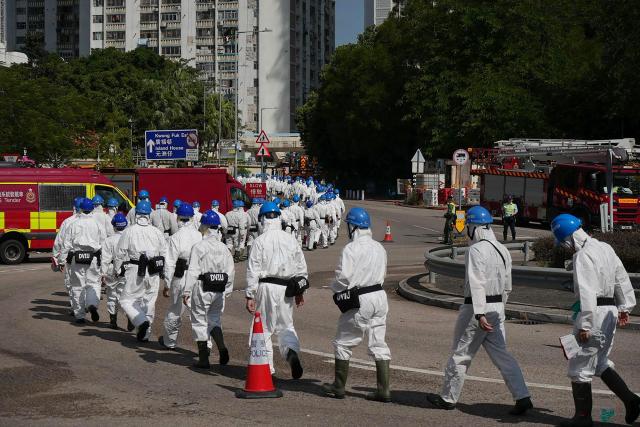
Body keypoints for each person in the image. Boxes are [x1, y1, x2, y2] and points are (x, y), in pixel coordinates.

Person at [428, 205, 532, 415]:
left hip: (476, 308)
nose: (467, 231)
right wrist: (498, 308)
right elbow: (507, 285)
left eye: (468, 226)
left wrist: (479, 313)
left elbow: (476, 282)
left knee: (461, 354)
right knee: (502, 355)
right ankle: (523, 396)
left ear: (473, 227)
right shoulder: (503, 249)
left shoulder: (475, 250)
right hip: (496, 307)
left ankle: (448, 398)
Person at [551, 214, 639, 427]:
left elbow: (587, 291)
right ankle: (632, 401)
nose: (565, 247)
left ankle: (582, 418)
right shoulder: (605, 247)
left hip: (595, 313)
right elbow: (621, 278)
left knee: (579, 366)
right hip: (609, 311)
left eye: (564, 243)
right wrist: (625, 306)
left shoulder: (582, 256)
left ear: (568, 238)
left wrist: (585, 325)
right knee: (600, 362)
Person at [324, 207, 391, 402]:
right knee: (378, 342)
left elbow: (343, 278)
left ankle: (338, 386)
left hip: (359, 298)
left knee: (344, 342)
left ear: (353, 226)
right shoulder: (379, 247)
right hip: (379, 296)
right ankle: (383, 390)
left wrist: (335, 290)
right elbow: (384, 273)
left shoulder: (351, 249)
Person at [245, 201, 308, 378]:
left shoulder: (259, 241)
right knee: (286, 326)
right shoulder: (291, 240)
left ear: (263, 219)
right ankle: (291, 354)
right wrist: (299, 292)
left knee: (264, 329)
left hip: (266, 287)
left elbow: (253, 269)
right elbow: (301, 269)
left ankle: (266, 369)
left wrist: (250, 295)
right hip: (287, 288)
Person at [183, 210, 235, 368]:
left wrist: (186, 291)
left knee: (199, 321)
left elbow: (192, 270)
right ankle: (222, 347)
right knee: (214, 320)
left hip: (202, 287)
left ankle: (204, 358)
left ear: (204, 226)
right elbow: (230, 271)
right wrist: (227, 290)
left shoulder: (199, 247)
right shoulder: (223, 247)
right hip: (218, 288)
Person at [115, 200, 167, 342]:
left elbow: (120, 253)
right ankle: (145, 335)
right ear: (149, 214)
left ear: (136, 213)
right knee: (149, 303)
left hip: (135, 269)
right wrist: (164, 272)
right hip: (154, 270)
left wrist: (118, 270)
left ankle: (140, 322)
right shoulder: (157, 232)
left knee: (126, 300)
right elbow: (164, 253)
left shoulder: (129, 231)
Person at [159, 203, 202, 350]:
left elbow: (169, 263)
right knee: (199, 311)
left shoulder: (176, 237)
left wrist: (166, 284)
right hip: (197, 276)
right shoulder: (199, 235)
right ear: (192, 218)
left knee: (175, 310)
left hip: (181, 276)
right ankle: (205, 343)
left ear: (178, 218)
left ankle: (170, 341)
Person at [59, 198, 106, 324]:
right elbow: (103, 243)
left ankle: (80, 315)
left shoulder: (73, 224)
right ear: (92, 209)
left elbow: (66, 244)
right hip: (93, 258)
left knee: (77, 286)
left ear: (80, 208)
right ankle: (92, 304)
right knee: (94, 283)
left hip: (77, 258)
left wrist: (61, 261)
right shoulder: (97, 224)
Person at [52, 196, 84, 315]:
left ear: (74, 207)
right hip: (90, 258)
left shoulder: (68, 221)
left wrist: (57, 258)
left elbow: (60, 241)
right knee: (87, 281)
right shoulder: (92, 221)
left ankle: (75, 306)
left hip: (72, 257)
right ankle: (85, 303)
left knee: (72, 282)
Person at [101, 213, 128, 329]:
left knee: (112, 295)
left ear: (114, 226)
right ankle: (129, 317)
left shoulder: (108, 240)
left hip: (112, 270)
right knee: (125, 295)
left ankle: (113, 319)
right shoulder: (129, 238)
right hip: (127, 269)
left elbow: (105, 259)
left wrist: (102, 273)